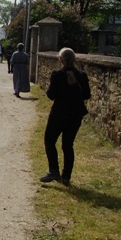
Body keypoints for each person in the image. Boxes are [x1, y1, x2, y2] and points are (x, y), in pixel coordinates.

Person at [40, 48, 91, 186]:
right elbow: (86, 95)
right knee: (68, 145)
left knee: (50, 140)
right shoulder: (82, 75)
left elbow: (51, 95)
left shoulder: (57, 74)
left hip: (59, 114)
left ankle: (53, 170)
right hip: (75, 115)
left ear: (61, 60)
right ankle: (66, 176)